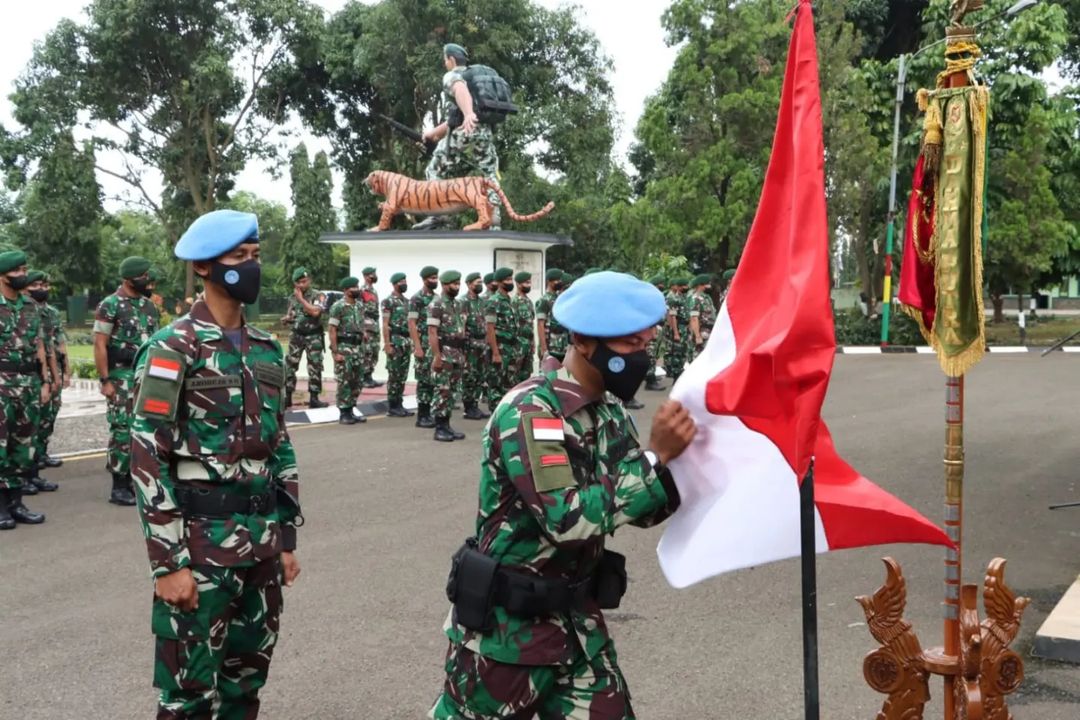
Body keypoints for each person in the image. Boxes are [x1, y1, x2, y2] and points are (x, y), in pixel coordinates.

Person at [430, 271, 697, 719]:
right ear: (583, 340)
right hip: (507, 640)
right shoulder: (532, 412)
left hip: (578, 632)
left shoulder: (608, 411)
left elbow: (643, 508)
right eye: (631, 346)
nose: (642, 357)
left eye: (645, 345)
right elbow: (568, 521)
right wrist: (655, 460)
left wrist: (686, 463)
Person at [130, 208, 302, 719]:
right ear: (205, 267)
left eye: (255, 257)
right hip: (199, 550)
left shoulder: (269, 350)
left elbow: (281, 447)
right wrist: (167, 564)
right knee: (187, 697)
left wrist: (286, 539)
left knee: (244, 689)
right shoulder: (172, 349)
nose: (250, 267)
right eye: (238, 258)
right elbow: (146, 455)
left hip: (261, 548)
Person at [415, 43, 502, 230]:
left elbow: (459, 89)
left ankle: (439, 215)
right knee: (489, 172)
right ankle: (493, 214)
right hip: (484, 132)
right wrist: (433, 134)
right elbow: (455, 118)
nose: (445, 64)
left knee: (435, 168)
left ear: (451, 60)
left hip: (467, 129)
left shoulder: (454, 75)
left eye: (445, 60)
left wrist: (469, 113)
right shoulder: (476, 80)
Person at [94, 255, 158, 506]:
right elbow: (100, 345)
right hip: (121, 377)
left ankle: (139, 479)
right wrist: (105, 380)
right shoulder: (109, 305)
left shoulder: (148, 306)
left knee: (148, 429)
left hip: (148, 377)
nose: (147, 280)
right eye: (142, 276)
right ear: (128, 279)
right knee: (122, 429)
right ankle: (119, 485)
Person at [0, 251, 52, 529]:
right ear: (4, 275)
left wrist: (44, 382)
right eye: (19, 270)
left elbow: (40, 347)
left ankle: (16, 503)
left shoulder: (30, 307)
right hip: (1, 382)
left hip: (28, 384)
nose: (24, 274)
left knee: (23, 447)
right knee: (0, 446)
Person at [25, 270, 62, 492]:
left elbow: (47, 348)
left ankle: (32, 472)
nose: (43, 289)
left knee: (35, 426)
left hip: (35, 376)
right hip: (11, 379)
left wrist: (53, 378)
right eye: (37, 284)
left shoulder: (36, 312)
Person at [428, 271, 469, 442]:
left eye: (459, 283)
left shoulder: (458, 304)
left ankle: (447, 425)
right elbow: (432, 331)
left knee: (451, 392)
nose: (457, 287)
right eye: (454, 284)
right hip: (444, 354)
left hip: (457, 354)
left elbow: (463, 330)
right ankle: (440, 427)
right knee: (442, 391)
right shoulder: (436, 304)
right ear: (444, 285)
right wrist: (437, 356)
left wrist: (463, 354)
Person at [283, 267, 327, 409]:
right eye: (299, 283)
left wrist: (301, 299)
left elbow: (315, 312)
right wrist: (287, 319)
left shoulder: (318, 295)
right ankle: (287, 396)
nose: (302, 285)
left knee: (315, 366)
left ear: (309, 280)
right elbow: (292, 314)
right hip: (297, 335)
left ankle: (314, 398)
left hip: (313, 336)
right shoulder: (291, 297)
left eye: (304, 281)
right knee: (290, 366)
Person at [329, 276, 368, 426]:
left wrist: (363, 335)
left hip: (358, 348)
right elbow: (332, 329)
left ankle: (351, 409)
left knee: (357, 381)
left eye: (357, 286)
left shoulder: (359, 305)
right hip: (344, 348)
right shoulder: (338, 306)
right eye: (354, 287)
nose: (357, 289)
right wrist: (335, 352)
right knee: (344, 381)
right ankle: (344, 413)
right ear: (346, 290)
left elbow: (361, 323)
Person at [409, 266, 440, 428]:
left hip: (434, 345)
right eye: (432, 278)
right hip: (423, 344)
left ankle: (430, 413)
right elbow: (412, 324)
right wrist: (417, 347)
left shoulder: (437, 298)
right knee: (424, 381)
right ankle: (422, 415)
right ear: (424, 279)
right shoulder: (416, 299)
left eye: (436, 277)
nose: (435, 281)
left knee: (433, 380)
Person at [484, 267, 518, 412]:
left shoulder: (509, 300)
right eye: (507, 280)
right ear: (498, 282)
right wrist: (496, 352)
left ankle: (505, 414)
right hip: (500, 347)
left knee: (508, 382)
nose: (510, 282)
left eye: (511, 279)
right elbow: (490, 328)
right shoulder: (494, 301)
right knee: (496, 384)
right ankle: (495, 416)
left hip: (510, 348)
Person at [382, 272, 415, 418]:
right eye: (402, 281)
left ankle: (399, 403)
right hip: (395, 341)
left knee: (402, 375)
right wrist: (387, 344)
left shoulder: (407, 302)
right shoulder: (388, 302)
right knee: (394, 375)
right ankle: (392, 405)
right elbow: (385, 324)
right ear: (395, 284)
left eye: (405, 281)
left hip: (406, 342)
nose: (405, 283)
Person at [461, 272, 491, 421]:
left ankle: (475, 405)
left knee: (479, 376)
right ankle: (468, 407)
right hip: (469, 345)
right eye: (476, 282)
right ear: (468, 284)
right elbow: (462, 325)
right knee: (469, 376)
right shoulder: (463, 302)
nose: (479, 285)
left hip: (481, 344)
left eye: (481, 282)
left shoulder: (482, 302)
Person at [535, 268, 567, 362]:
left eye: (560, 280)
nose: (559, 282)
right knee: (549, 376)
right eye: (557, 280)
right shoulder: (544, 300)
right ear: (549, 281)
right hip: (550, 346)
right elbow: (540, 325)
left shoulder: (558, 298)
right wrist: (544, 349)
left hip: (561, 347)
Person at [663, 276, 691, 382]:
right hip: (678, 327)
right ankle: (676, 376)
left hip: (685, 328)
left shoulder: (686, 298)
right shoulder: (673, 299)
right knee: (677, 352)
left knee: (684, 351)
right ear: (679, 287)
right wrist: (675, 333)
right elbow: (673, 317)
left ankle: (680, 372)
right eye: (684, 286)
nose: (687, 287)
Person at [360, 266, 383, 388]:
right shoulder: (362, 291)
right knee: (367, 352)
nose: (374, 276)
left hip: (374, 324)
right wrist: (362, 329)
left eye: (375, 273)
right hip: (366, 325)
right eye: (372, 274)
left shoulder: (374, 291)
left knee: (374, 351)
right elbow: (359, 310)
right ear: (366, 276)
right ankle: (364, 378)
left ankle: (369, 376)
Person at [512, 271, 535, 384]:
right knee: (515, 373)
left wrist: (533, 343)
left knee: (526, 374)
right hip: (518, 343)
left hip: (528, 343)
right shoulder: (514, 302)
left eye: (530, 282)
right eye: (526, 283)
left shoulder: (529, 302)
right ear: (518, 284)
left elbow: (531, 324)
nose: (529, 285)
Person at [644, 274, 667, 391]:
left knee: (655, 354)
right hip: (650, 328)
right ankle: (650, 380)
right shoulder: (649, 297)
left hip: (657, 327)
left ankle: (651, 377)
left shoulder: (657, 296)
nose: (663, 286)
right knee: (651, 355)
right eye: (661, 284)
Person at [688, 274, 717, 359]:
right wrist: (697, 336)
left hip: (709, 332)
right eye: (706, 285)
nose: (708, 287)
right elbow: (694, 318)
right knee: (699, 358)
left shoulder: (706, 298)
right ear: (700, 285)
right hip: (701, 332)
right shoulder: (695, 299)